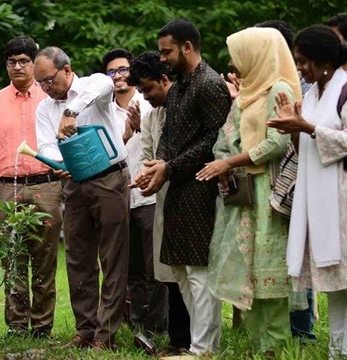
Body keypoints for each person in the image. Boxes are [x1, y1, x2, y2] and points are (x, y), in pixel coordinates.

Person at [198, 27, 301, 354]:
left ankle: (275, 348)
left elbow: (278, 142)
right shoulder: (246, 93)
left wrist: (231, 163)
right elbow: (223, 138)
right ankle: (259, 347)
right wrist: (222, 162)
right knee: (250, 277)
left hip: (266, 193)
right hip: (241, 194)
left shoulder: (277, 90)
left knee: (269, 277)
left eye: (238, 53)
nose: (232, 61)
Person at [133, 19, 231, 354]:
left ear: (187, 47)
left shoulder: (210, 83)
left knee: (198, 271)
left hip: (201, 189)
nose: (162, 59)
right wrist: (155, 166)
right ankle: (197, 344)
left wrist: (169, 166)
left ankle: (205, 349)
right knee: (180, 271)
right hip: (175, 188)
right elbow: (168, 138)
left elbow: (215, 140)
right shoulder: (179, 87)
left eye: (167, 52)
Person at [35, 46, 128, 350]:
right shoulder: (44, 107)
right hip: (74, 182)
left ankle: (106, 334)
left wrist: (71, 111)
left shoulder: (91, 86)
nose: (46, 88)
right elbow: (46, 144)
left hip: (109, 177)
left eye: (49, 80)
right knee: (77, 257)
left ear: (66, 69)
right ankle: (85, 329)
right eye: (41, 84)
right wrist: (58, 162)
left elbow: (105, 82)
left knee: (112, 256)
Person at [267, 24, 347, 360]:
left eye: (303, 61)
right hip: (318, 197)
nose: (299, 68)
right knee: (337, 287)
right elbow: (308, 150)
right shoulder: (313, 94)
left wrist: (308, 127)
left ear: (323, 60)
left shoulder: (344, 90)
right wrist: (296, 128)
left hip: (341, 199)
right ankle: (338, 351)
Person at [0, 36, 63, 339]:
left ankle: (42, 327)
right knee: (11, 261)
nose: (17, 66)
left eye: (23, 61)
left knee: (45, 260)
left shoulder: (50, 97)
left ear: (33, 62)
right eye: (11, 62)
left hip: (47, 185)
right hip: (5, 189)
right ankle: (16, 326)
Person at [128, 50, 192, 352]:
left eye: (148, 89)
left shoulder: (185, 106)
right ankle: (178, 338)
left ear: (164, 79)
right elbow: (146, 154)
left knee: (193, 274)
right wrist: (144, 176)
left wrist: (159, 170)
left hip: (191, 197)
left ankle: (196, 340)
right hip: (162, 200)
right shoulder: (152, 115)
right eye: (140, 91)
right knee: (169, 272)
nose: (145, 96)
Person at [102, 48, 163, 335]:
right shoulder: (103, 110)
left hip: (150, 195)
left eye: (123, 69)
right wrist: (125, 133)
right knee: (131, 268)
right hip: (120, 196)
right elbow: (106, 154)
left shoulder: (149, 101)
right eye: (112, 71)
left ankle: (158, 326)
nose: (118, 76)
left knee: (156, 268)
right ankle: (137, 325)